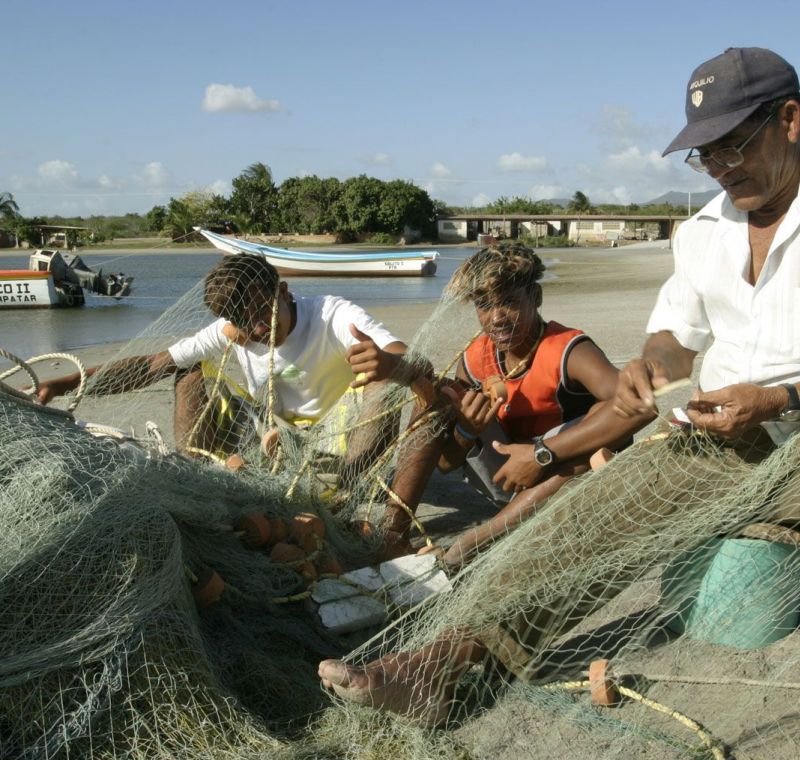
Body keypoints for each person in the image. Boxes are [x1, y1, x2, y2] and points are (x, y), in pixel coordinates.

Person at [318, 46, 800, 724]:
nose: (721, 169)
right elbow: (673, 339)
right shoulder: (703, 234)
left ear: (791, 119)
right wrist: (647, 370)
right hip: (724, 437)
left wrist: (783, 398)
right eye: (706, 156)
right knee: (582, 525)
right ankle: (443, 666)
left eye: (734, 146)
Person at [36, 252, 437, 547]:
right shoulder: (234, 330)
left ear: (282, 290)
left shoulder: (331, 313)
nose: (258, 328)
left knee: (385, 382)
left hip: (340, 439)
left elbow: (407, 355)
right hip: (275, 441)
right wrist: (66, 384)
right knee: (185, 370)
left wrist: (385, 361)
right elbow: (153, 364)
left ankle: (339, 493)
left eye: (264, 311)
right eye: (243, 321)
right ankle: (194, 479)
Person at [427, 242, 653, 571]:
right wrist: (465, 429)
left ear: (536, 298)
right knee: (451, 403)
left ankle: (477, 540)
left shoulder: (567, 350)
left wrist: (540, 454)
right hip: (509, 482)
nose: (496, 317)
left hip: (563, 477)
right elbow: (446, 464)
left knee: (600, 421)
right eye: (484, 305)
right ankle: (503, 522)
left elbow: (641, 406)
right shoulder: (475, 360)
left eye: (508, 302)